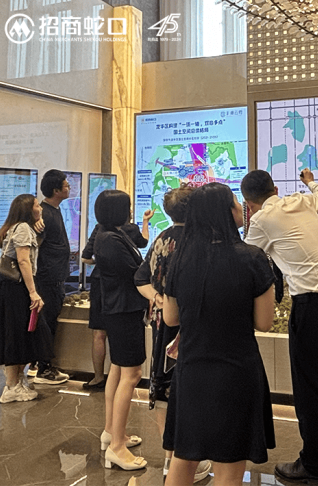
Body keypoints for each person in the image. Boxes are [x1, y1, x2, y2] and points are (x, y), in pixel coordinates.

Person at [162, 183, 276, 485]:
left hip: (192, 370)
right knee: (229, 464)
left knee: (184, 457)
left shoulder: (181, 259)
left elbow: (171, 318)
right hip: (236, 372)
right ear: (225, 212)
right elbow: (264, 322)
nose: (241, 208)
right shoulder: (252, 258)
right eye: (236, 203)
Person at [242, 169, 318, 483]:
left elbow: (245, 258)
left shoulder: (261, 220)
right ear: (275, 189)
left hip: (312, 307)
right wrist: (310, 181)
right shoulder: (301, 201)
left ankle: (312, 465)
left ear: (248, 204)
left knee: (307, 388)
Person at [134, 184, 211, 483]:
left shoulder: (161, 238)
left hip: (162, 325)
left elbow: (140, 278)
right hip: (194, 324)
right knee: (193, 387)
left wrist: (157, 298)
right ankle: (191, 457)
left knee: (163, 385)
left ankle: (169, 456)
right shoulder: (202, 240)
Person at [94, 190, 148, 471]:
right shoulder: (111, 240)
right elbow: (136, 273)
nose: (130, 211)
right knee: (132, 374)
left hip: (119, 309)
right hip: (123, 310)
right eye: (127, 207)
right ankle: (117, 448)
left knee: (117, 369)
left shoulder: (111, 234)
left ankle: (112, 432)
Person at [81, 210, 152, 391]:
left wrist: (102, 262)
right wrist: (145, 222)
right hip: (125, 292)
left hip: (100, 283)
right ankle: (120, 382)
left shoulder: (100, 230)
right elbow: (143, 243)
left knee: (99, 333)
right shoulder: (128, 231)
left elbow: (85, 257)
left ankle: (98, 377)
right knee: (127, 361)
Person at [0, 194, 50, 403]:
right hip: (17, 289)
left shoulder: (16, 227)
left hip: (10, 289)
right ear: (28, 209)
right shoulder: (23, 228)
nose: (40, 208)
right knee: (16, 334)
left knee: (16, 333)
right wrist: (33, 292)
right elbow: (24, 261)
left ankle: (16, 382)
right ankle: (11, 386)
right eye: (36, 205)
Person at [30, 169, 70, 385]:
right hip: (47, 278)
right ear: (56, 190)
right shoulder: (43, 215)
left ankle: (37, 363)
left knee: (48, 320)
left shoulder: (55, 210)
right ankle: (43, 368)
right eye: (66, 185)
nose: (69, 188)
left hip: (55, 276)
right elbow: (34, 246)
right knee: (46, 321)